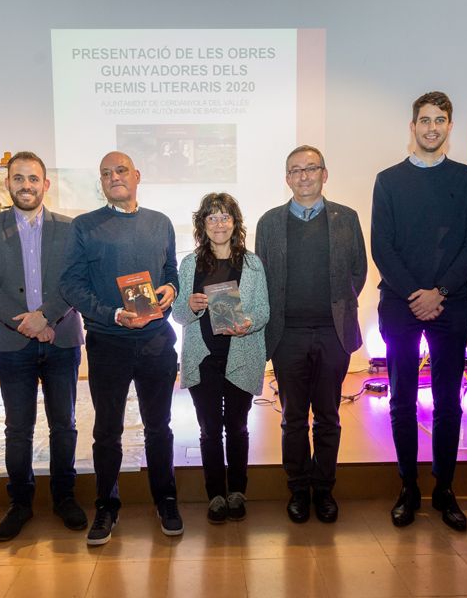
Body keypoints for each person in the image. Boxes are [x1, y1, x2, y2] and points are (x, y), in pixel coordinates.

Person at [372, 91, 467, 532]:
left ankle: (444, 488)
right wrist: (416, 293)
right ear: (412, 126)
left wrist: (438, 291)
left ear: (450, 126)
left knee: (448, 402)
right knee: (400, 401)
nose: (431, 127)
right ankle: (408, 488)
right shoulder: (388, 180)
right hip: (400, 305)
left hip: (452, 304)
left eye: (440, 120)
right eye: (424, 120)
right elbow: (382, 245)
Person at [60, 151, 181, 545]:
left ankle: (165, 499)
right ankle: (106, 506)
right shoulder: (84, 226)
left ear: (137, 176)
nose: (114, 177)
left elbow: (170, 271)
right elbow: (72, 286)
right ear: (102, 181)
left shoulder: (160, 223)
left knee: (159, 428)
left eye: (121, 170)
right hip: (108, 343)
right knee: (107, 431)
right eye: (106, 173)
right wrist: (113, 314)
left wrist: (171, 289)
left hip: (156, 342)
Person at [0, 151, 86, 541]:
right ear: (8, 183)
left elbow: (74, 281)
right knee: (18, 429)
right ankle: (20, 504)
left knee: (64, 426)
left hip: (62, 340)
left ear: (45, 184)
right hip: (12, 341)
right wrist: (30, 324)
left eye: (33, 178)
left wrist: (47, 318)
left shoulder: (70, 229)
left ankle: (64, 498)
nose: (26, 185)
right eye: (18, 178)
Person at [255, 145, 367, 524]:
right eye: (296, 170)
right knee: (292, 419)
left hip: (333, 334)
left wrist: (337, 308)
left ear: (324, 173)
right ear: (287, 178)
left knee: (329, 416)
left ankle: (325, 488)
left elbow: (358, 272)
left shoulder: (346, 218)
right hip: (287, 335)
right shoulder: (269, 224)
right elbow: (262, 279)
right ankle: (298, 489)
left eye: (311, 168)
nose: (304, 176)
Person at [172, 193, 269, 523]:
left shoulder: (253, 264)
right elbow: (179, 314)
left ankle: (237, 491)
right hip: (204, 359)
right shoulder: (190, 264)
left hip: (241, 357)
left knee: (238, 428)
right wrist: (192, 306)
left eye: (225, 216)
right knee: (210, 430)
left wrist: (247, 324)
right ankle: (215, 494)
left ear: (235, 222)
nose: (219, 223)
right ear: (202, 224)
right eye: (211, 217)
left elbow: (263, 311)